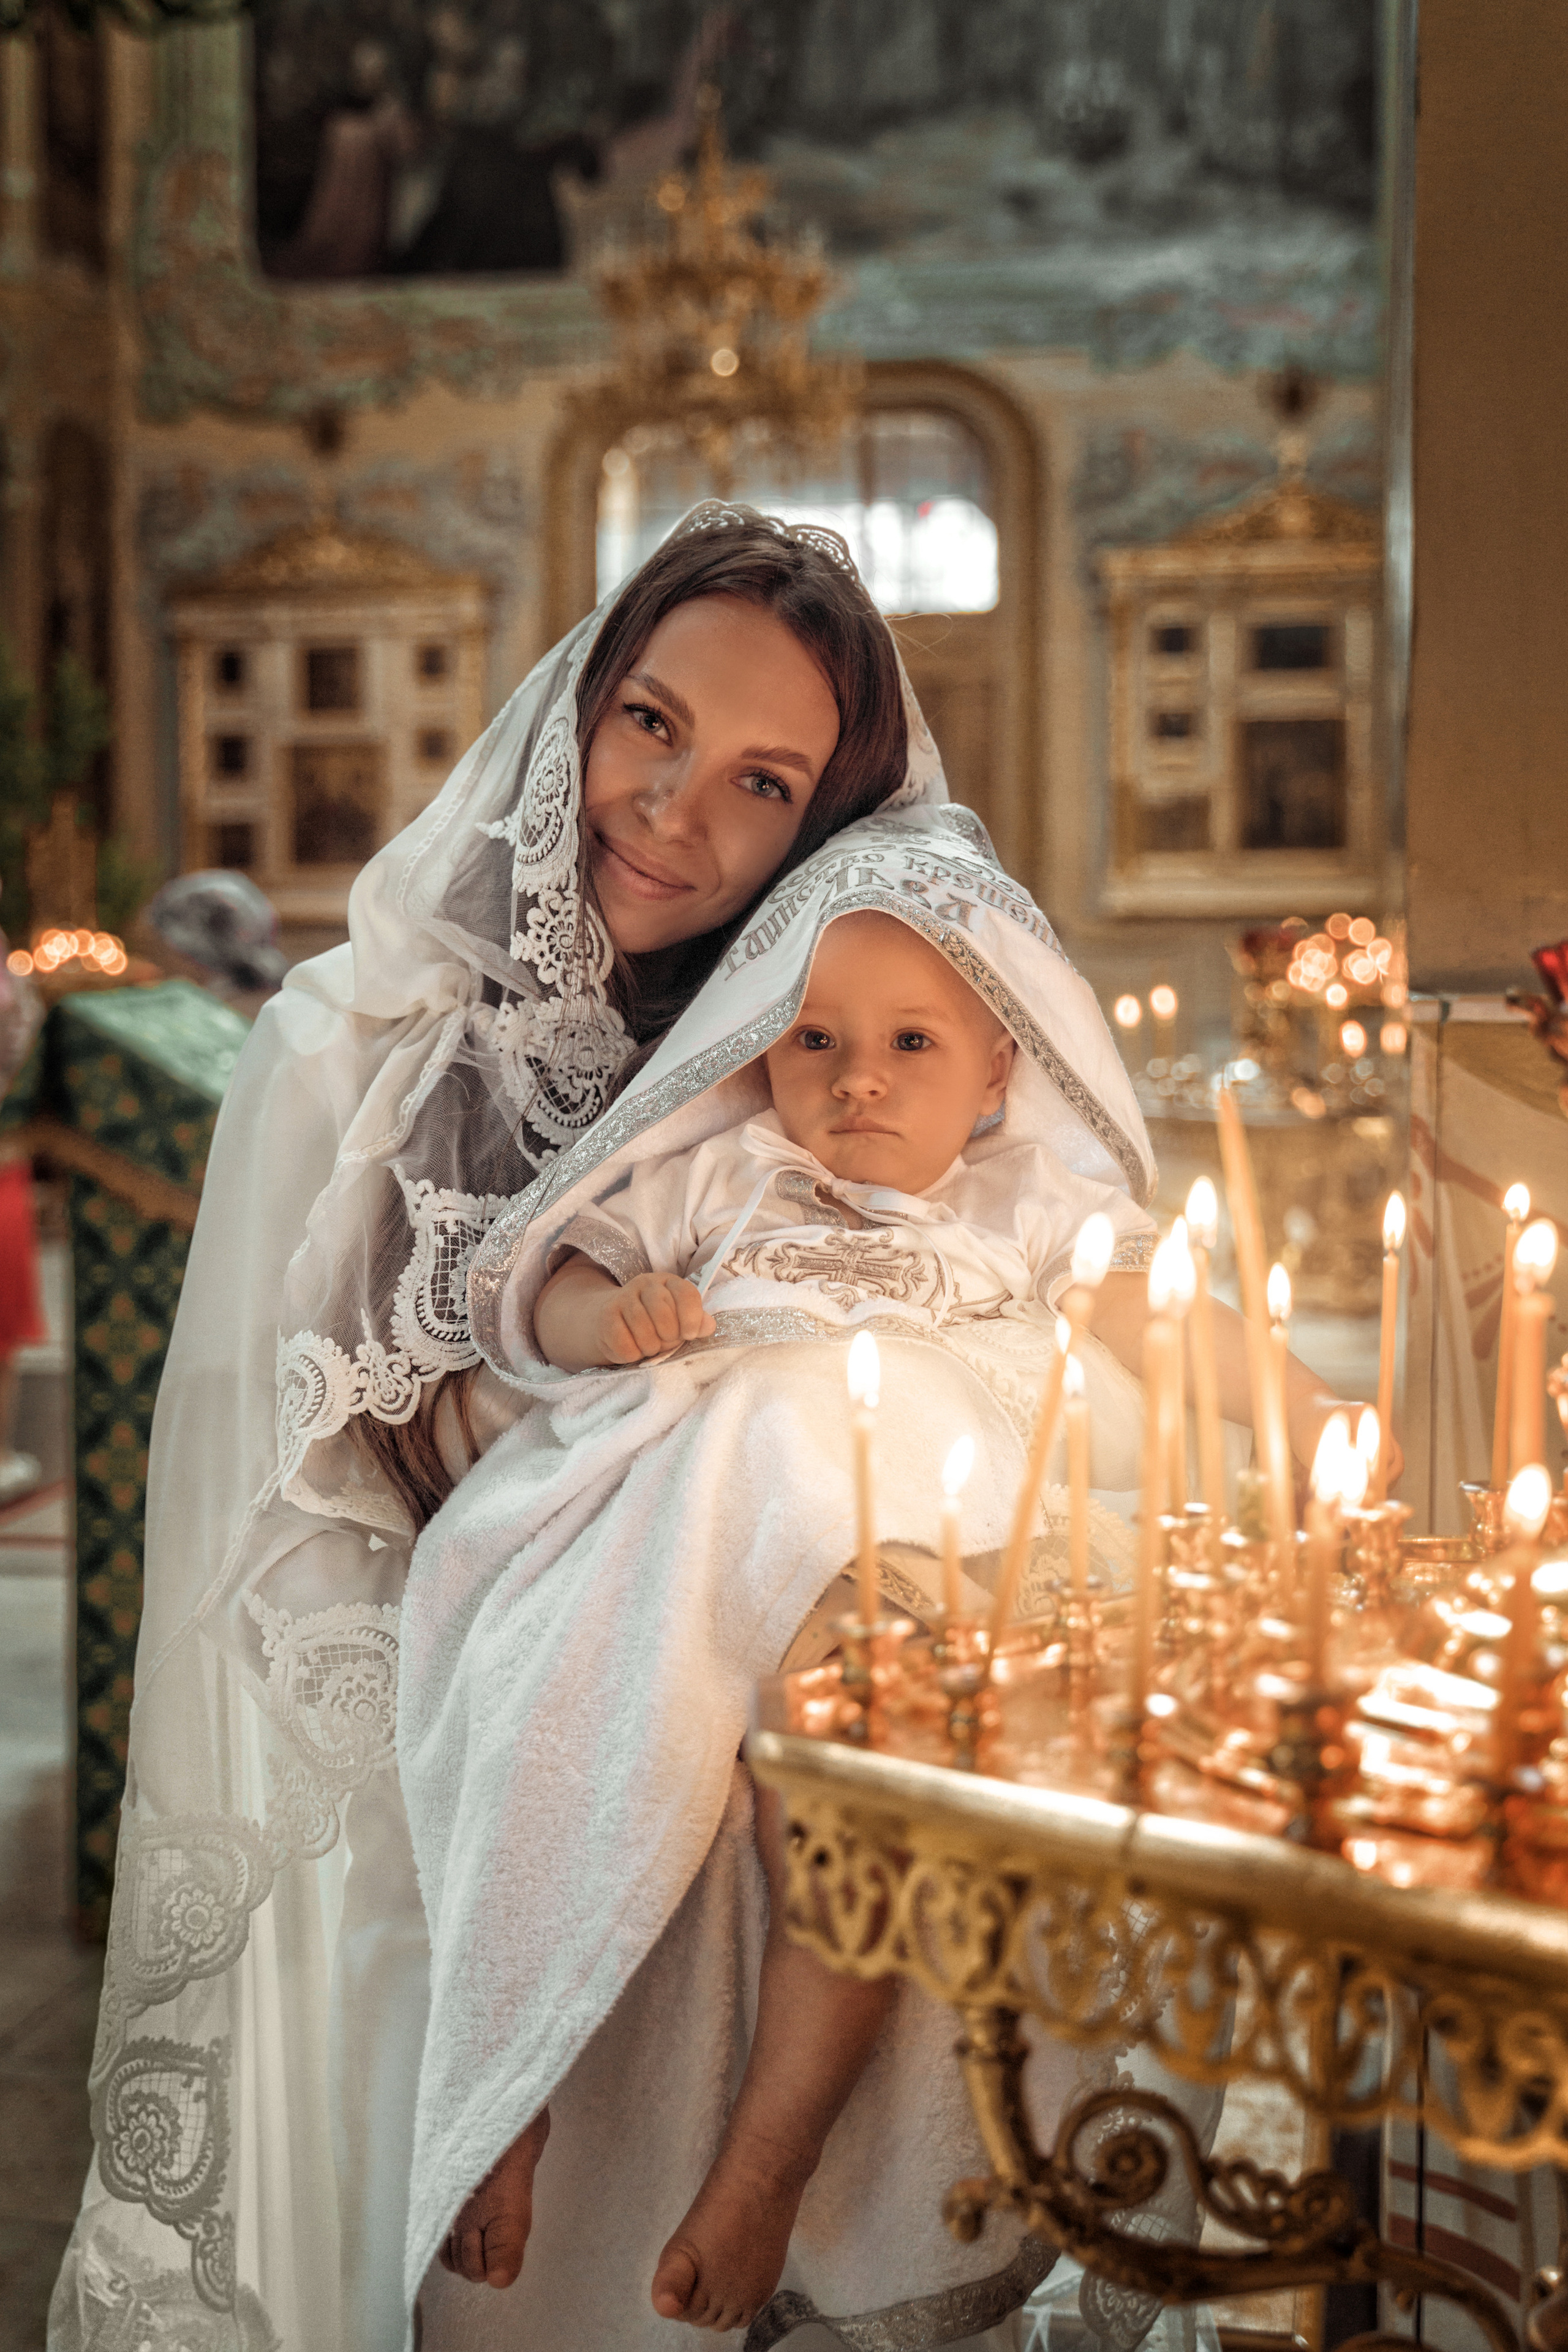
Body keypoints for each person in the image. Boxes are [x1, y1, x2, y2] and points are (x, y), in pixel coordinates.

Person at [45, 507, 938, 2352]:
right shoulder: (346, 1049)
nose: (676, 809)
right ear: (577, 711)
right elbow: (318, 1463)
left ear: (823, 833)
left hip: (704, 1710)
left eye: (764, 781)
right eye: (651, 725)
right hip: (403, 1725)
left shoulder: (789, 1049)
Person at [401, 838, 1363, 2343]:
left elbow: (1164, 1317)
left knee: (850, 1760)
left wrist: (1299, 1408)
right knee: (553, 1676)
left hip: (886, 1548)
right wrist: (612, 1318)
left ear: (994, 1073)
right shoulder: (721, 1168)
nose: (855, 1079)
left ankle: (767, 2159)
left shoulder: (1020, 1204)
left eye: (909, 1044)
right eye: (813, 1041)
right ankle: (513, 2088)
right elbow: (547, 1283)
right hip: (687, 1514)